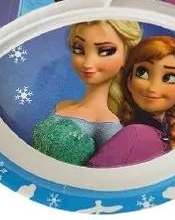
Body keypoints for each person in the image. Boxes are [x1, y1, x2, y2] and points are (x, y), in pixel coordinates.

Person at [32, 20, 142, 165]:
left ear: (126, 57)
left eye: (105, 51)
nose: (88, 63)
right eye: (79, 49)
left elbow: (107, 173)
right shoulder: (62, 105)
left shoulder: (108, 126)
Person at [87, 35, 175, 168]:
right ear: (129, 81)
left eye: (169, 77)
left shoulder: (156, 136)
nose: (152, 88)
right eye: (142, 73)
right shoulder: (135, 134)